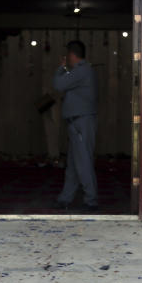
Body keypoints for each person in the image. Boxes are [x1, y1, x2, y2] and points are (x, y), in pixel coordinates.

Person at [53, 40, 98, 211]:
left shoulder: (81, 71)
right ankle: (66, 198)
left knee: (83, 163)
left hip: (81, 123)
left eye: (67, 56)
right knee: (73, 165)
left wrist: (61, 67)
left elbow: (58, 84)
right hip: (78, 123)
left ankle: (91, 200)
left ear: (72, 55)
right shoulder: (84, 71)